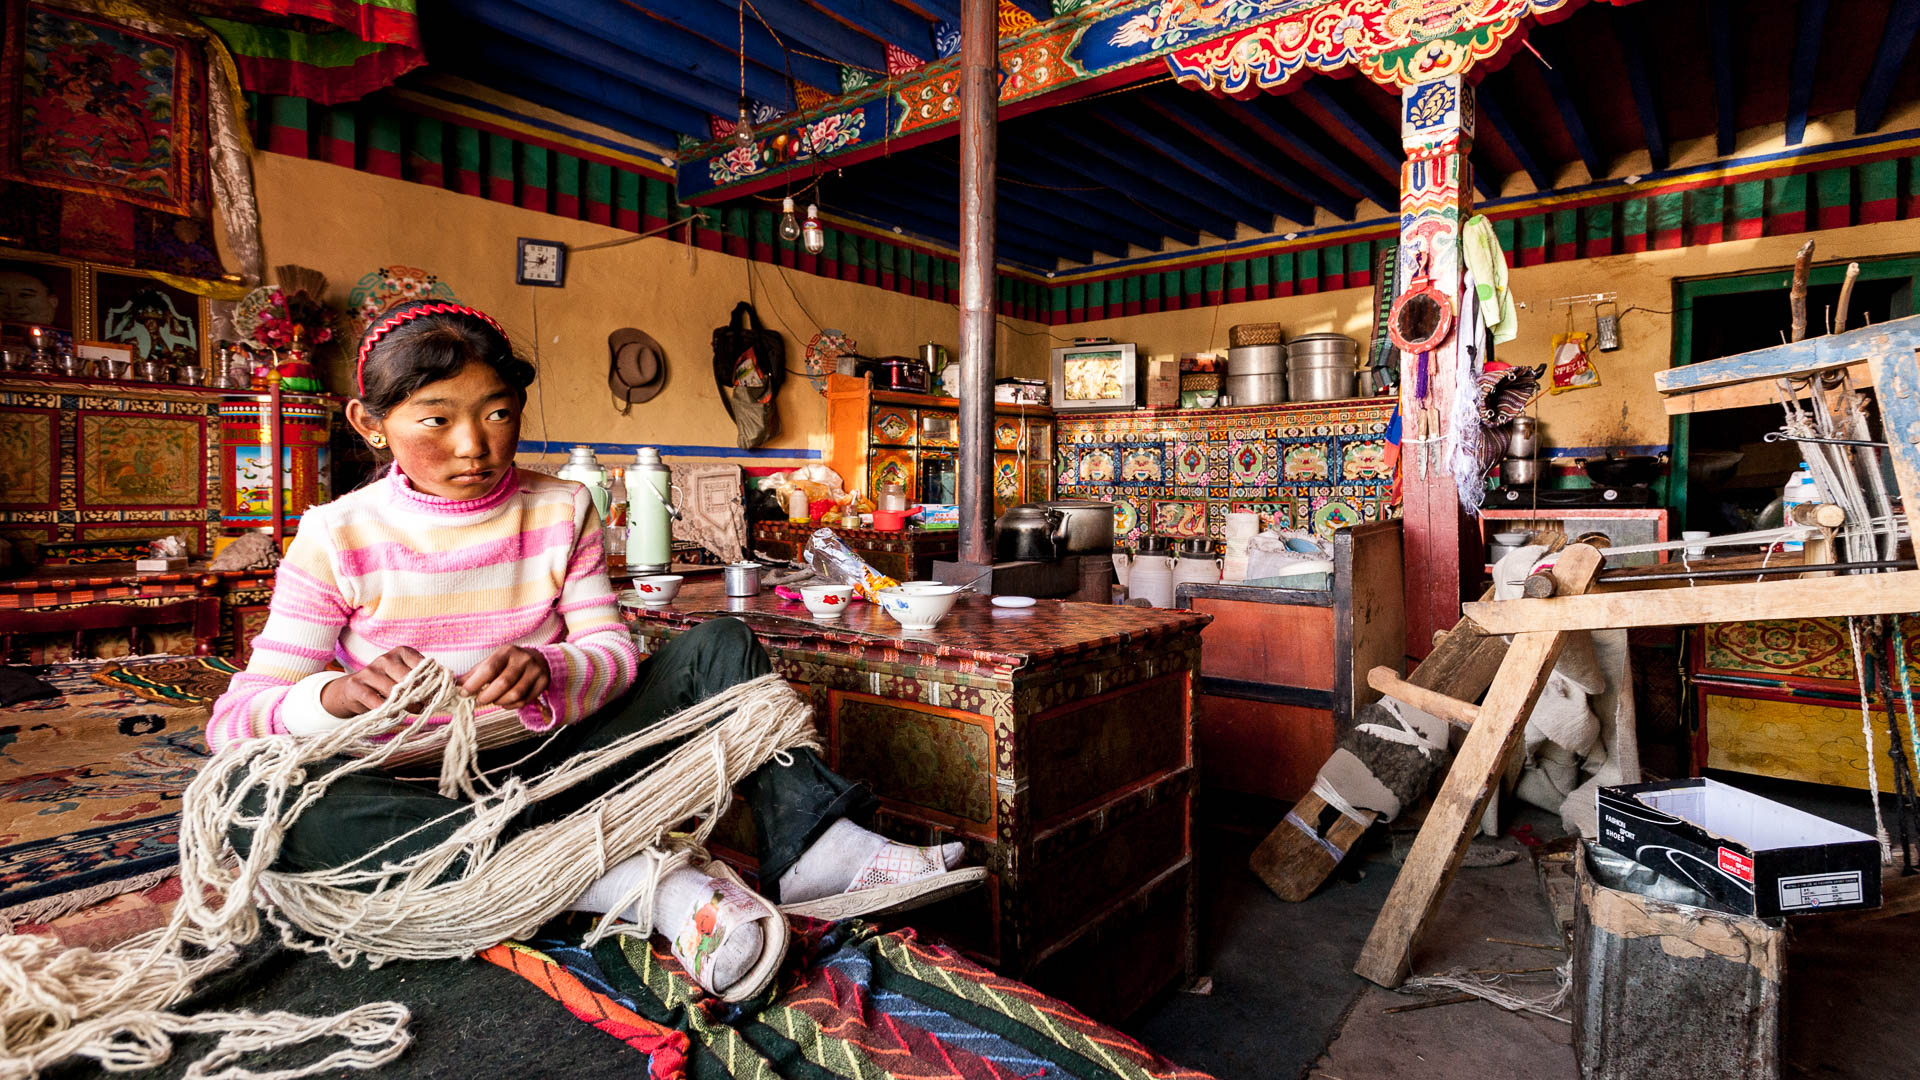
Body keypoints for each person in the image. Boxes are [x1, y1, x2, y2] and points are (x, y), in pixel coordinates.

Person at [208, 300, 977, 1000]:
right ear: (370, 423)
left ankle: (815, 846)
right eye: (435, 421)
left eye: (498, 412)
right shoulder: (336, 534)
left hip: (562, 761)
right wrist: (335, 697)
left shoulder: (561, 504)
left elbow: (611, 651)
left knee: (721, 645)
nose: (475, 444)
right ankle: (633, 881)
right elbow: (237, 719)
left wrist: (552, 668)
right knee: (248, 796)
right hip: (421, 793)